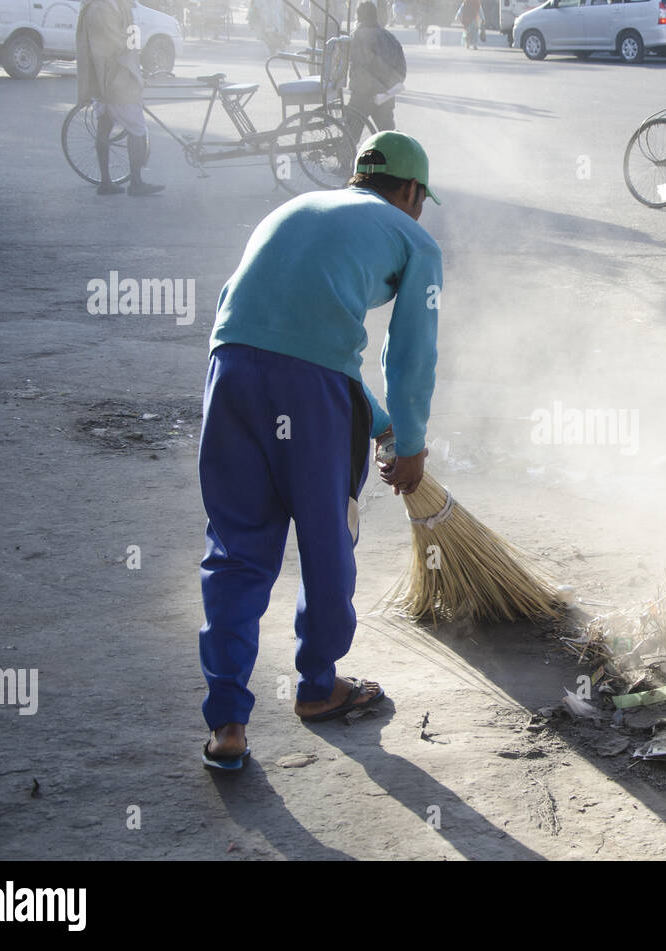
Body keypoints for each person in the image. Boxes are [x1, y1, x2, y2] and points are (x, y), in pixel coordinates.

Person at [197, 131, 442, 770]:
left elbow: (293, 338)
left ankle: (227, 723)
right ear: (412, 192)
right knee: (327, 536)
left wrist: (378, 423)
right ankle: (318, 686)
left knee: (237, 549)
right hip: (307, 391)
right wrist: (410, 445)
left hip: (230, 373)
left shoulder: (294, 209)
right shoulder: (413, 236)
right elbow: (409, 353)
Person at [76, 0, 163, 196]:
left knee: (104, 127)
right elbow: (114, 45)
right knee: (137, 130)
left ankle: (106, 182)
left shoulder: (107, 5)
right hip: (115, 79)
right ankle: (136, 182)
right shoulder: (102, 8)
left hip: (107, 78)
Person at [347, 2, 407, 147]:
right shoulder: (389, 37)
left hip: (362, 95)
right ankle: (394, 164)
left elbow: (358, 69)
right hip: (386, 96)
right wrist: (387, 89)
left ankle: (344, 165)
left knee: (350, 135)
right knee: (388, 137)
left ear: (359, 17)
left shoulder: (357, 36)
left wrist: (373, 87)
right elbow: (402, 70)